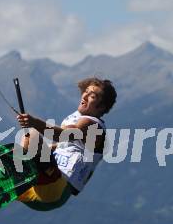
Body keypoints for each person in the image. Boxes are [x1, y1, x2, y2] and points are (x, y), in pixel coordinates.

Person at [15, 77, 117, 211]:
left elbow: (62, 135)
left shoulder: (92, 124)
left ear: (101, 106)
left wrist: (34, 122)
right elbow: (65, 146)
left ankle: (15, 171)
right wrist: (47, 148)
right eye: (86, 91)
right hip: (41, 196)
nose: (85, 95)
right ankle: (13, 177)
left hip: (56, 190)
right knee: (28, 140)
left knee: (31, 135)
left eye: (92, 96)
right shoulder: (78, 118)